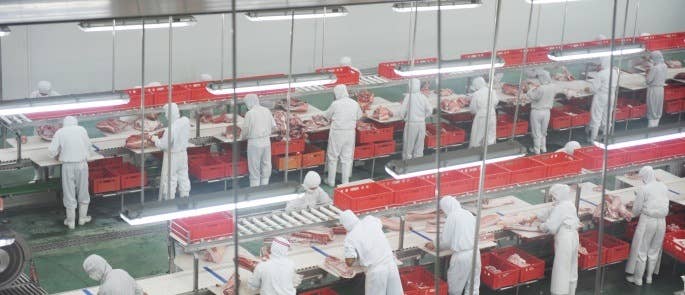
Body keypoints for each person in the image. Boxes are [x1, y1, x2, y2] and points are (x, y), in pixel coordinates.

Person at [425, 197, 480, 295]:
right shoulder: (468, 213)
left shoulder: (452, 216)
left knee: (455, 288)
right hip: (476, 253)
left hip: (462, 257)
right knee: (473, 287)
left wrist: (434, 244)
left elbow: (446, 241)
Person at [339, 210, 403, 294]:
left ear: (345, 226)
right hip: (391, 265)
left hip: (376, 272)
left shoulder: (349, 238)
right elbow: (381, 223)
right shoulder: (370, 220)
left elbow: (350, 261)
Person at [626, 166, 669, 286]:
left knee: (642, 249)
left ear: (644, 177)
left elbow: (636, 209)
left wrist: (630, 213)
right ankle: (649, 277)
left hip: (648, 220)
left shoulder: (644, 188)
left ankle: (638, 279)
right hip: (662, 221)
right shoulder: (663, 186)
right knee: (654, 249)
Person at [48, 116, 93, 229]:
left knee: (69, 192)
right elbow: (89, 146)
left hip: (67, 166)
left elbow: (52, 151)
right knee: (83, 191)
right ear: (75, 123)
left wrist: (56, 154)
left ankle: (71, 222)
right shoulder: (82, 129)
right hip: (82, 164)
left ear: (64, 124)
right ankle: (82, 219)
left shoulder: (60, 132)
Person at [538, 184, 580, 295]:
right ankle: (571, 292)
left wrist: (541, 226)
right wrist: (536, 216)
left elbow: (551, 227)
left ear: (558, 196)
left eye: (554, 196)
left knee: (561, 267)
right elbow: (551, 211)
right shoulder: (569, 204)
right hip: (574, 236)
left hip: (565, 238)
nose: (553, 199)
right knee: (571, 267)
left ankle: (559, 292)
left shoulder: (560, 208)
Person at [151, 103, 191, 201]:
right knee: (183, 175)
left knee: (170, 179)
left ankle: (169, 202)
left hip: (173, 156)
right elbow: (177, 129)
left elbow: (163, 145)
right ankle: (185, 198)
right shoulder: (185, 121)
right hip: (183, 154)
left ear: (170, 114)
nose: (165, 116)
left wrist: (154, 139)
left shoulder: (171, 129)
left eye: (166, 113)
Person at [325, 85, 363, 187]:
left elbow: (327, 116)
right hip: (350, 133)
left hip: (337, 133)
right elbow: (359, 116)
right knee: (346, 158)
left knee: (333, 157)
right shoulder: (354, 104)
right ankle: (345, 182)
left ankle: (331, 181)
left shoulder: (335, 104)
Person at [240, 94, 276, 187]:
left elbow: (245, 129)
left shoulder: (250, 113)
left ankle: (255, 188)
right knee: (266, 163)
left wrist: (242, 137)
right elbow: (274, 127)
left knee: (254, 166)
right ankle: (265, 185)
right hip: (266, 141)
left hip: (254, 143)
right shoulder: (266, 110)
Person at [526, 70, 559, 154]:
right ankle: (543, 148)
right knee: (544, 132)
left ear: (542, 78)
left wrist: (530, 89)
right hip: (547, 112)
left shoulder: (541, 88)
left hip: (537, 112)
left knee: (536, 132)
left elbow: (533, 96)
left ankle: (536, 150)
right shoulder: (553, 86)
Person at [400, 78, 433, 160]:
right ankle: (417, 166)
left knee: (408, 147)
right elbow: (430, 110)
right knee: (419, 147)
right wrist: (423, 117)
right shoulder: (423, 97)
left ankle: (407, 166)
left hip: (411, 124)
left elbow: (402, 112)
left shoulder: (408, 97)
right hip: (422, 124)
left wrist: (404, 118)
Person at [587, 58, 619, 142]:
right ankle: (605, 138)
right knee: (607, 118)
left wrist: (588, 89)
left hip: (601, 96)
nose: (599, 65)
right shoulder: (614, 72)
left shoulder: (600, 74)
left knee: (596, 118)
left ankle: (593, 139)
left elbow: (594, 89)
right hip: (611, 96)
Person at [469, 77, 499, 148]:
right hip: (492, 114)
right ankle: (490, 151)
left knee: (478, 136)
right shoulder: (492, 91)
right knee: (491, 135)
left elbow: (473, 109)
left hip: (481, 116)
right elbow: (496, 102)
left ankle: (476, 152)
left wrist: (478, 111)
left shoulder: (476, 94)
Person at [645, 51, 667, 127]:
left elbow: (648, 80)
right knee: (658, 109)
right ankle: (656, 127)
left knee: (652, 110)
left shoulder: (655, 68)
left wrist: (648, 71)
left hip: (653, 90)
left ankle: (651, 128)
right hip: (661, 89)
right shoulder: (664, 66)